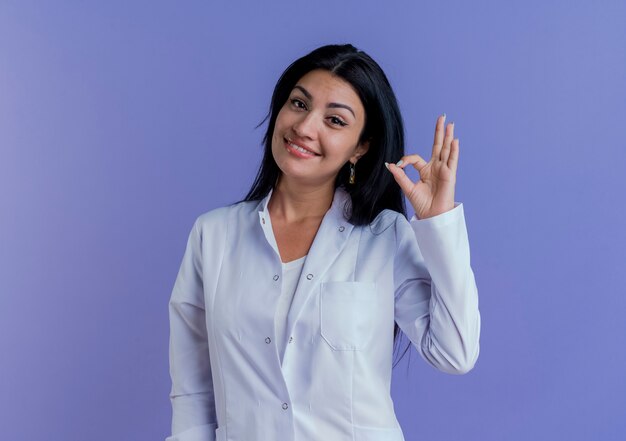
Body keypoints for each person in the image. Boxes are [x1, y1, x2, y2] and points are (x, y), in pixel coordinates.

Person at [166, 43, 481, 441]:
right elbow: (194, 391)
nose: (305, 126)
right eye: (299, 104)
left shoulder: (385, 237)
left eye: (334, 120)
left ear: (360, 147)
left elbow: (455, 353)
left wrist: (438, 224)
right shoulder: (213, 235)